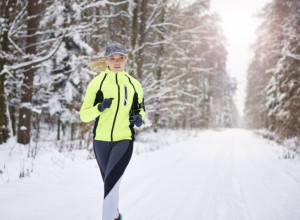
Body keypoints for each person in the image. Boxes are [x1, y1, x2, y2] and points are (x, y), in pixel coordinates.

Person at [80, 43, 145, 220]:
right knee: (109, 185)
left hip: (124, 140)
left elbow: (140, 109)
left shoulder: (134, 84)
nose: (117, 62)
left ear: (126, 60)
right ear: (106, 61)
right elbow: (84, 115)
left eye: (120, 58)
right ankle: (115, 215)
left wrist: (139, 118)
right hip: (100, 141)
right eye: (112, 58)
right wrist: (99, 108)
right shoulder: (97, 83)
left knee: (111, 182)